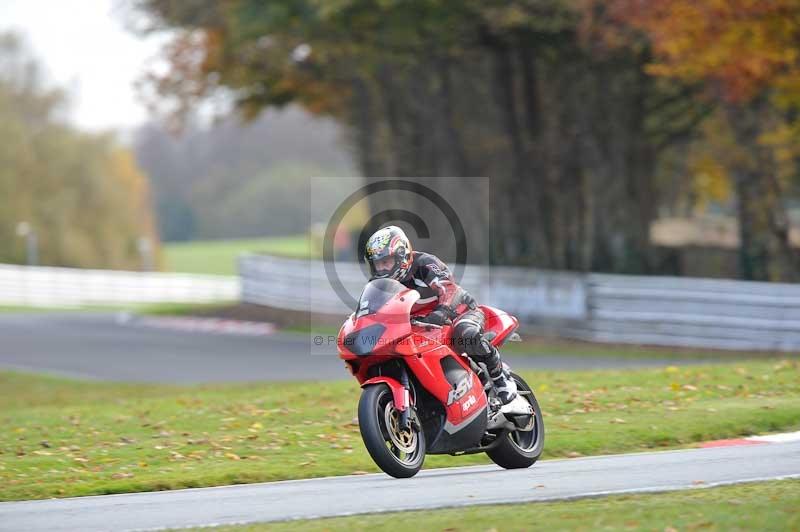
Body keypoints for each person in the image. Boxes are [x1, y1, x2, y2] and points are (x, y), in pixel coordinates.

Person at [364, 225, 527, 412]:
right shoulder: (379, 286)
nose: (382, 268)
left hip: (459, 313)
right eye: (378, 264)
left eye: (387, 261)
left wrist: (441, 312)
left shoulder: (424, 263)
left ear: (401, 255)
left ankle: (502, 381)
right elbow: (372, 310)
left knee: (465, 333)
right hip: (421, 326)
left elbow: (448, 288)